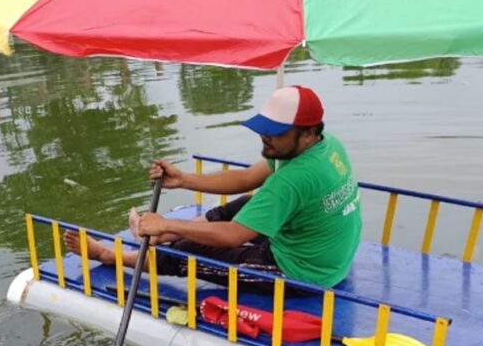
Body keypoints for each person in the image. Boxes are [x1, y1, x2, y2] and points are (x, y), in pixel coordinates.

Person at [64, 85, 361, 295]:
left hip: (302, 273)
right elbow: (247, 177)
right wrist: (184, 180)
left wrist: (169, 221)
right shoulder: (325, 143)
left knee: (188, 253)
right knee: (246, 203)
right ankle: (158, 235)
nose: (264, 137)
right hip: (323, 250)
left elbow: (234, 235)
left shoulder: (295, 178)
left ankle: (110, 255)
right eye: (263, 128)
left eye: (274, 132)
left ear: (308, 134)